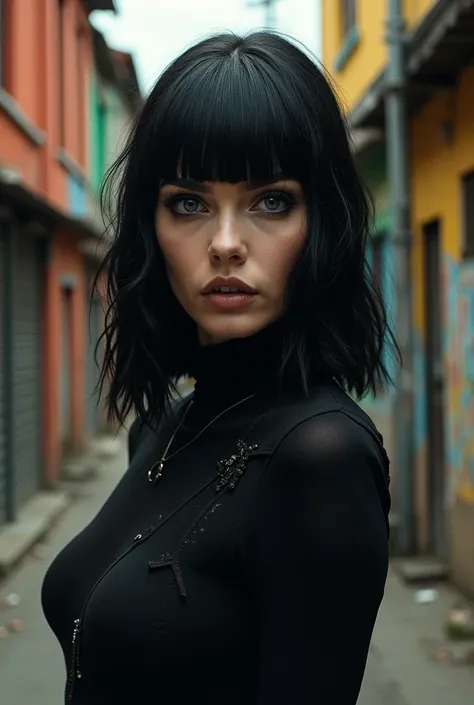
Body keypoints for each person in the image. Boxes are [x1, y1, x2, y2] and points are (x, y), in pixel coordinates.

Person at [42, 31, 398, 705]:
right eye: (189, 202)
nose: (227, 244)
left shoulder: (321, 455)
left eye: (270, 200)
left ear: (319, 220)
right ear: (153, 225)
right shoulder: (159, 427)